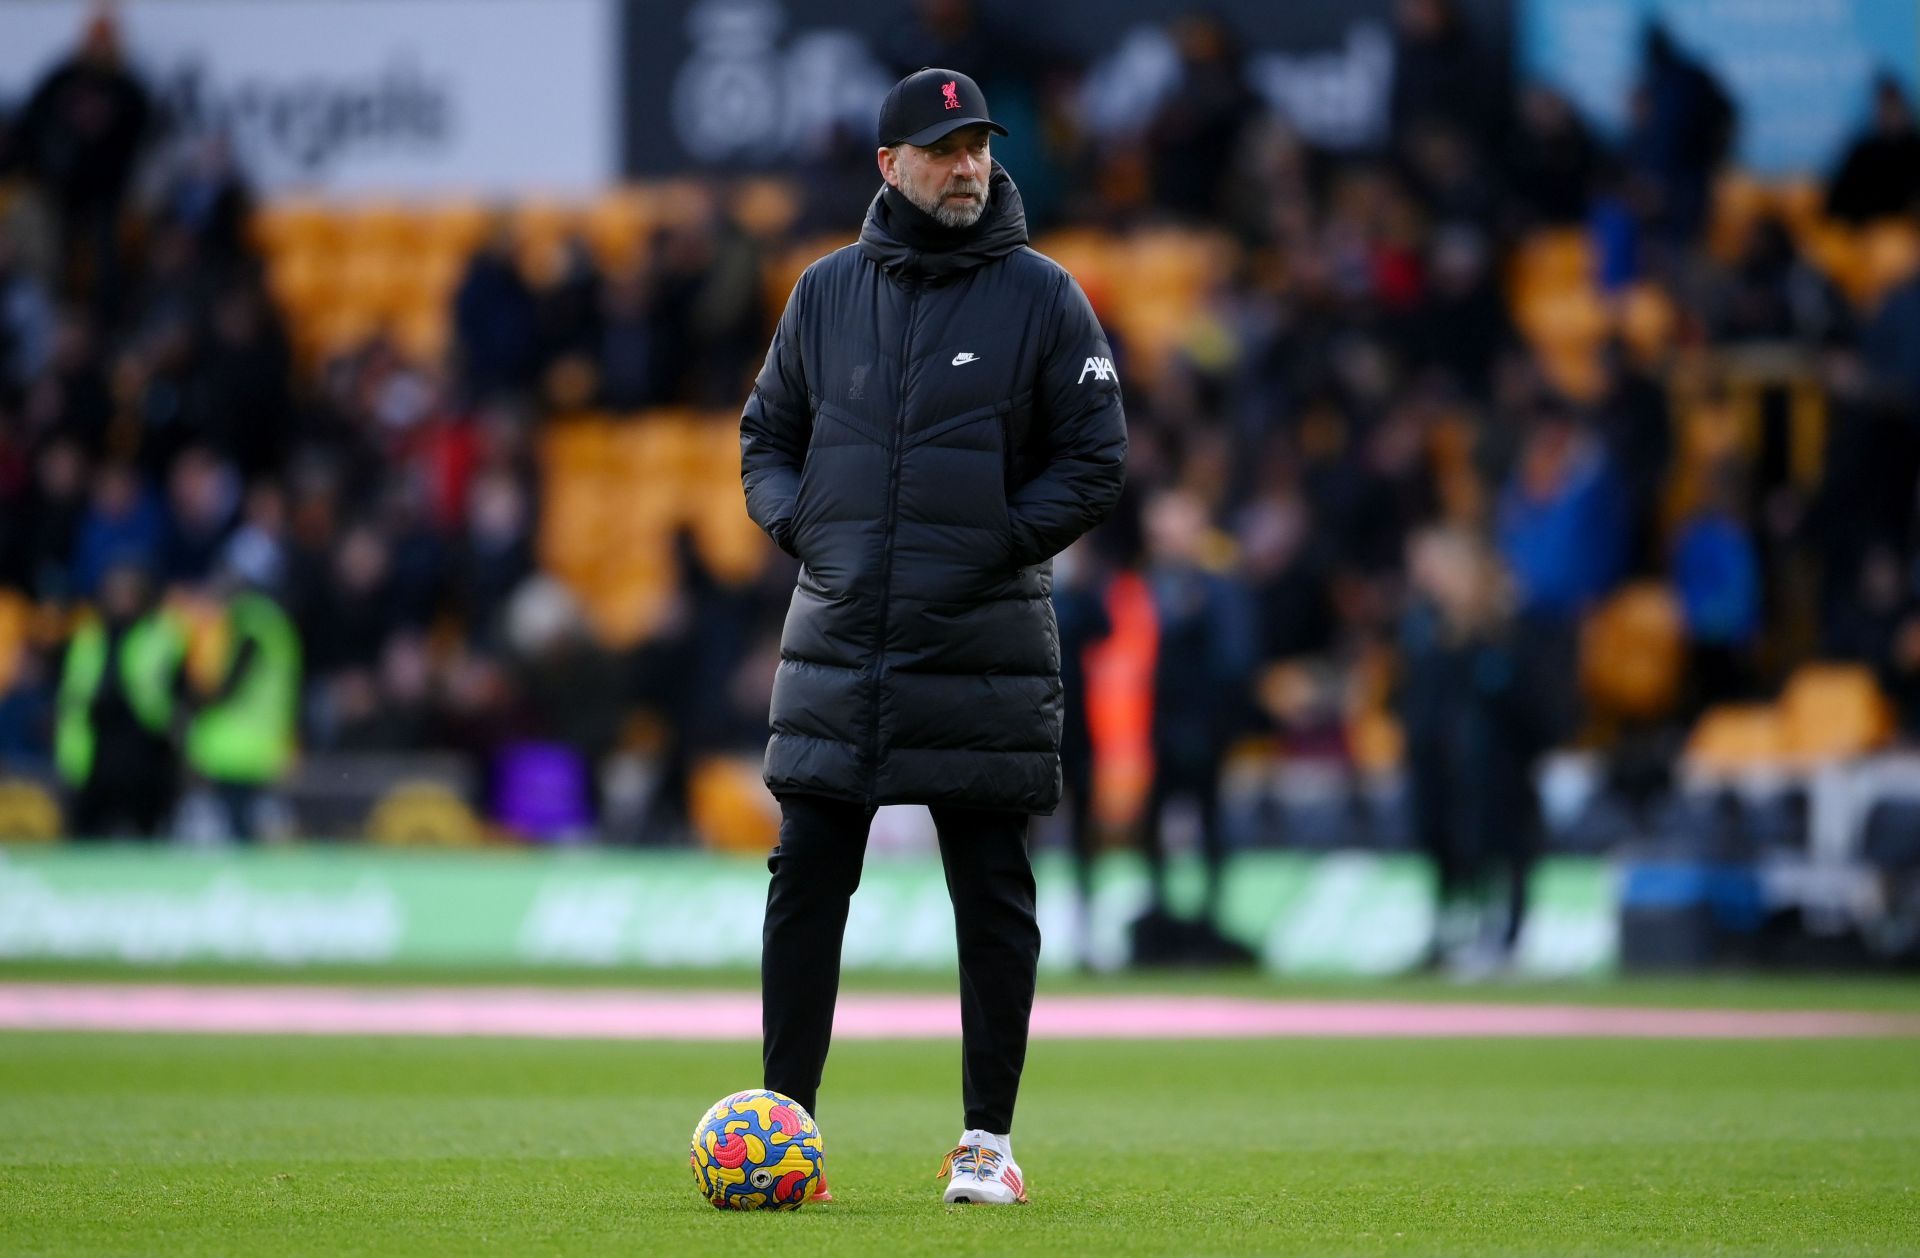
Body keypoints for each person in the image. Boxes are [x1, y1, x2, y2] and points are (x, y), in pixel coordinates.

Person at [740, 68, 1126, 1207]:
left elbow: (1097, 457)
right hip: (842, 639)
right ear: (889, 166)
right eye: (944, 148)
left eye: (979, 147)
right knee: (807, 873)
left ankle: (986, 1145)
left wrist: (999, 538)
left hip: (985, 640)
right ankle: (786, 1130)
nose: (968, 166)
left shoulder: (1047, 296)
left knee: (991, 888)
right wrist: (805, 526)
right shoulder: (821, 294)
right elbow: (767, 437)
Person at [55, 559, 187, 837]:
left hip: (144, 746)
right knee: (86, 834)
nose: (120, 598)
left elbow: (173, 690)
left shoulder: (160, 633)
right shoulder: (90, 634)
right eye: (115, 590)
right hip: (94, 745)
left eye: (128, 591)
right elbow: (72, 689)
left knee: (145, 831)